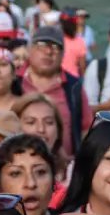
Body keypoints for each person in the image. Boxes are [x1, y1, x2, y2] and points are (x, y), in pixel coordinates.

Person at [23, 25, 90, 158]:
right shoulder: (15, 81)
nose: (48, 52)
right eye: (42, 45)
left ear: (63, 55)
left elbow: (86, 129)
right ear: (30, 50)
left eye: (55, 47)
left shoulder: (73, 86)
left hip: (64, 169)